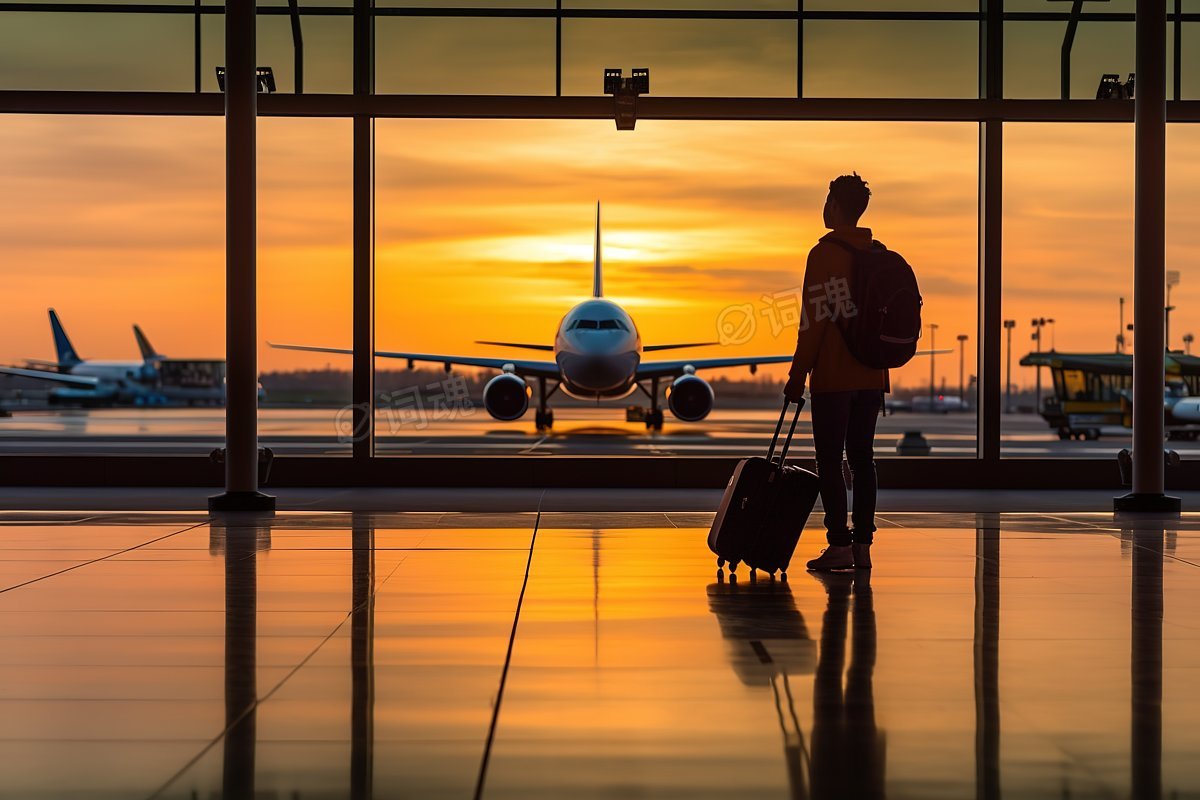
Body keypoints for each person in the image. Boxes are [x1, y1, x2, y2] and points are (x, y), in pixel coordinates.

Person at [784, 173, 886, 571]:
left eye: (828, 202)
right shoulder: (878, 252)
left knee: (829, 459)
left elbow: (814, 319)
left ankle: (838, 544)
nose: (824, 209)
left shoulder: (824, 255)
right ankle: (863, 547)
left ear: (837, 207)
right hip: (872, 375)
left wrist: (797, 374)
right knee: (863, 459)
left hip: (834, 376)